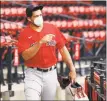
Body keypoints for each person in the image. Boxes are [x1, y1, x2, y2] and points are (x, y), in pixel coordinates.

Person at [17, 4, 76, 100]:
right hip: (33, 74)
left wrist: (72, 69)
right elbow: (25, 56)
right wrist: (40, 42)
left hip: (51, 73)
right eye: (36, 16)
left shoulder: (52, 28)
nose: (39, 18)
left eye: (40, 15)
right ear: (29, 19)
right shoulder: (24, 34)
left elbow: (63, 49)